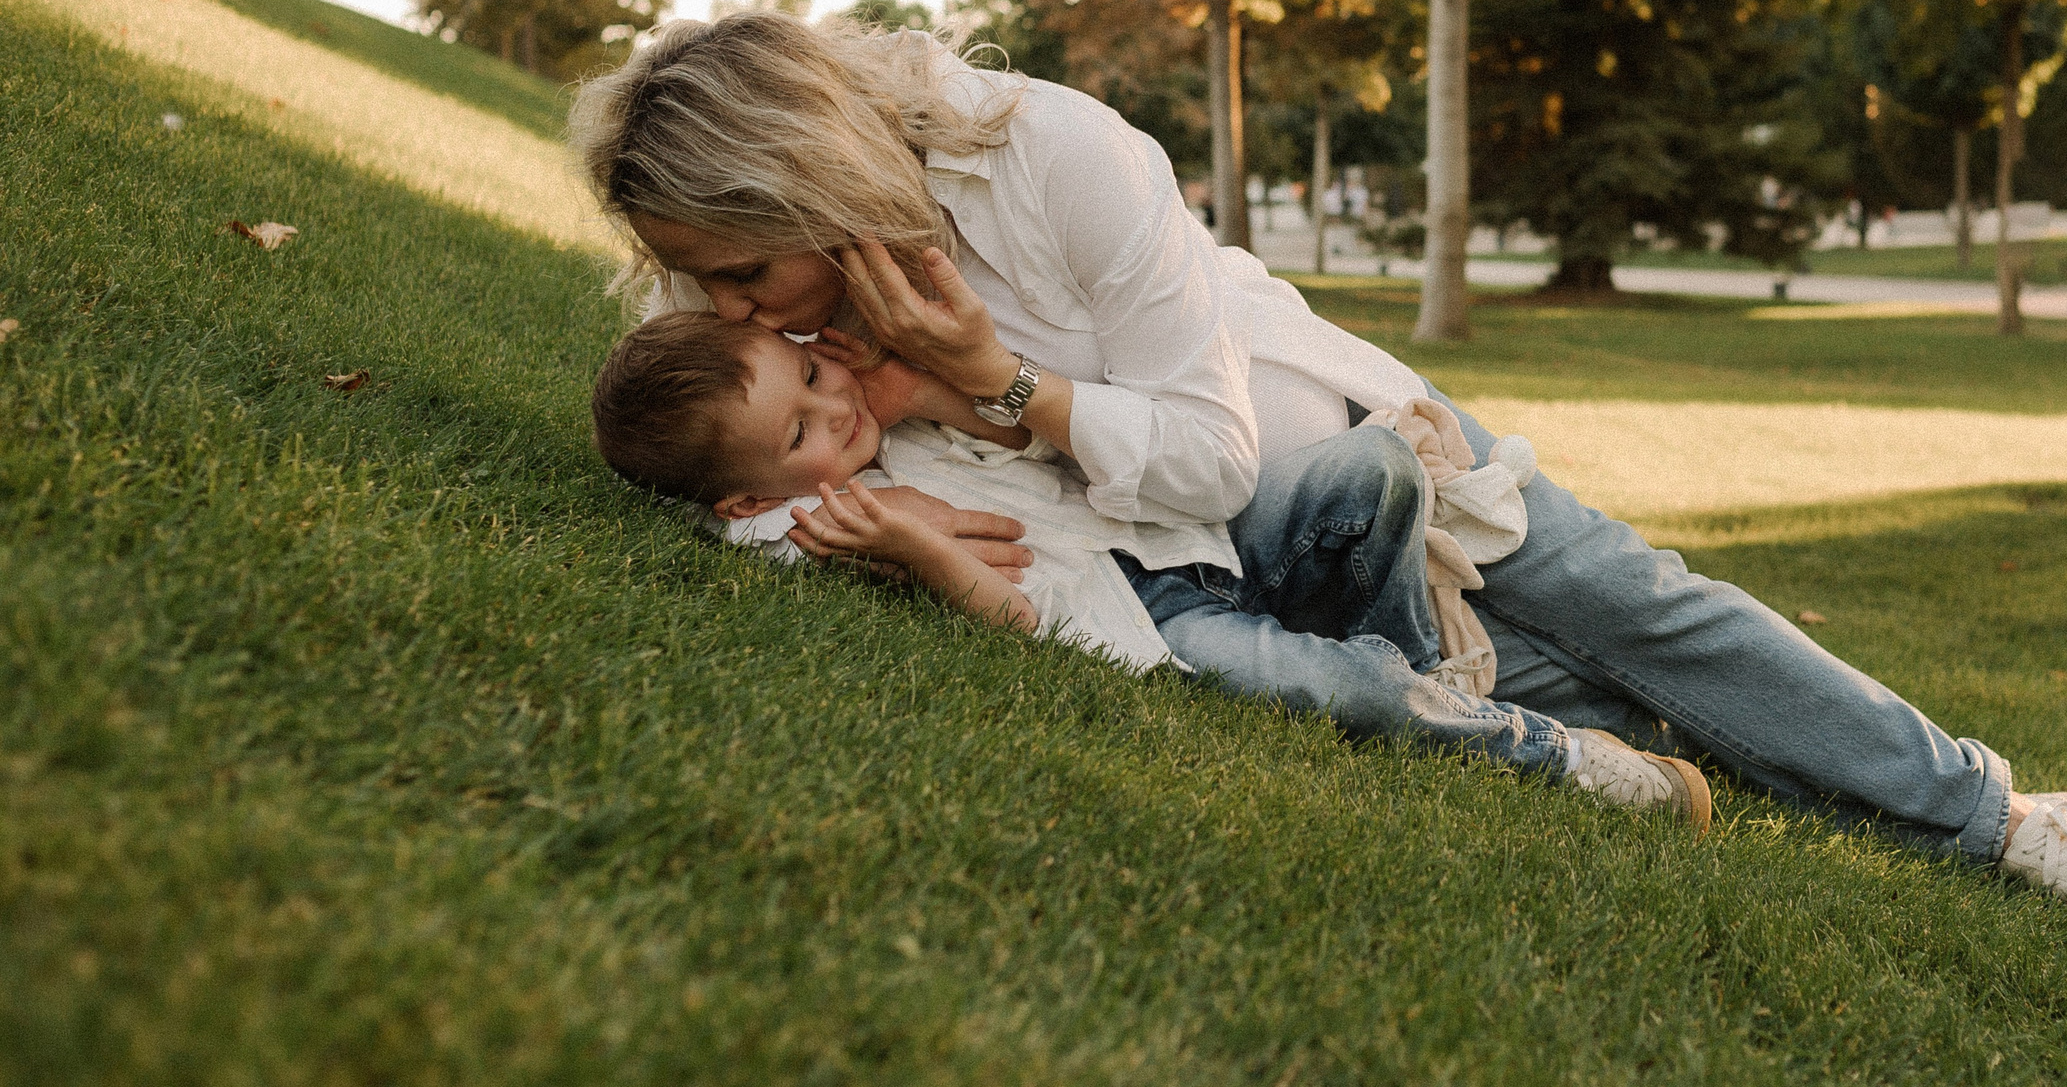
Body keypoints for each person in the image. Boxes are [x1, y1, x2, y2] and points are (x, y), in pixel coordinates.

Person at [568, 11, 2067, 927]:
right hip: (1206, 587)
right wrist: (851, 508)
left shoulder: (1045, 150)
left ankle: (1989, 817)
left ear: (809, 176)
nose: (718, 308)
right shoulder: (764, 335)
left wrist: (990, 385)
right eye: (700, 284)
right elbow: (733, 481)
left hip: (1342, 468)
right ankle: (1588, 733)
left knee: (1642, 609)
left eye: (736, 269)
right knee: (1609, 708)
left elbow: (1211, 451)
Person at [588, 305, 1711, 824]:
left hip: (1199, 543)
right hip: (1150, 620)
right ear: (743, 497)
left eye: (812, 379)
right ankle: (1558, 758)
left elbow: (1037, 435)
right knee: (1341, 686)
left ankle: (1429, 680)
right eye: (798, 433)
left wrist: (920, 388)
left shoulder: (886, 413)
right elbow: (1015, 618)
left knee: (1371, 469)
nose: (832, 412)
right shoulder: (809, 532)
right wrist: (918, 548)